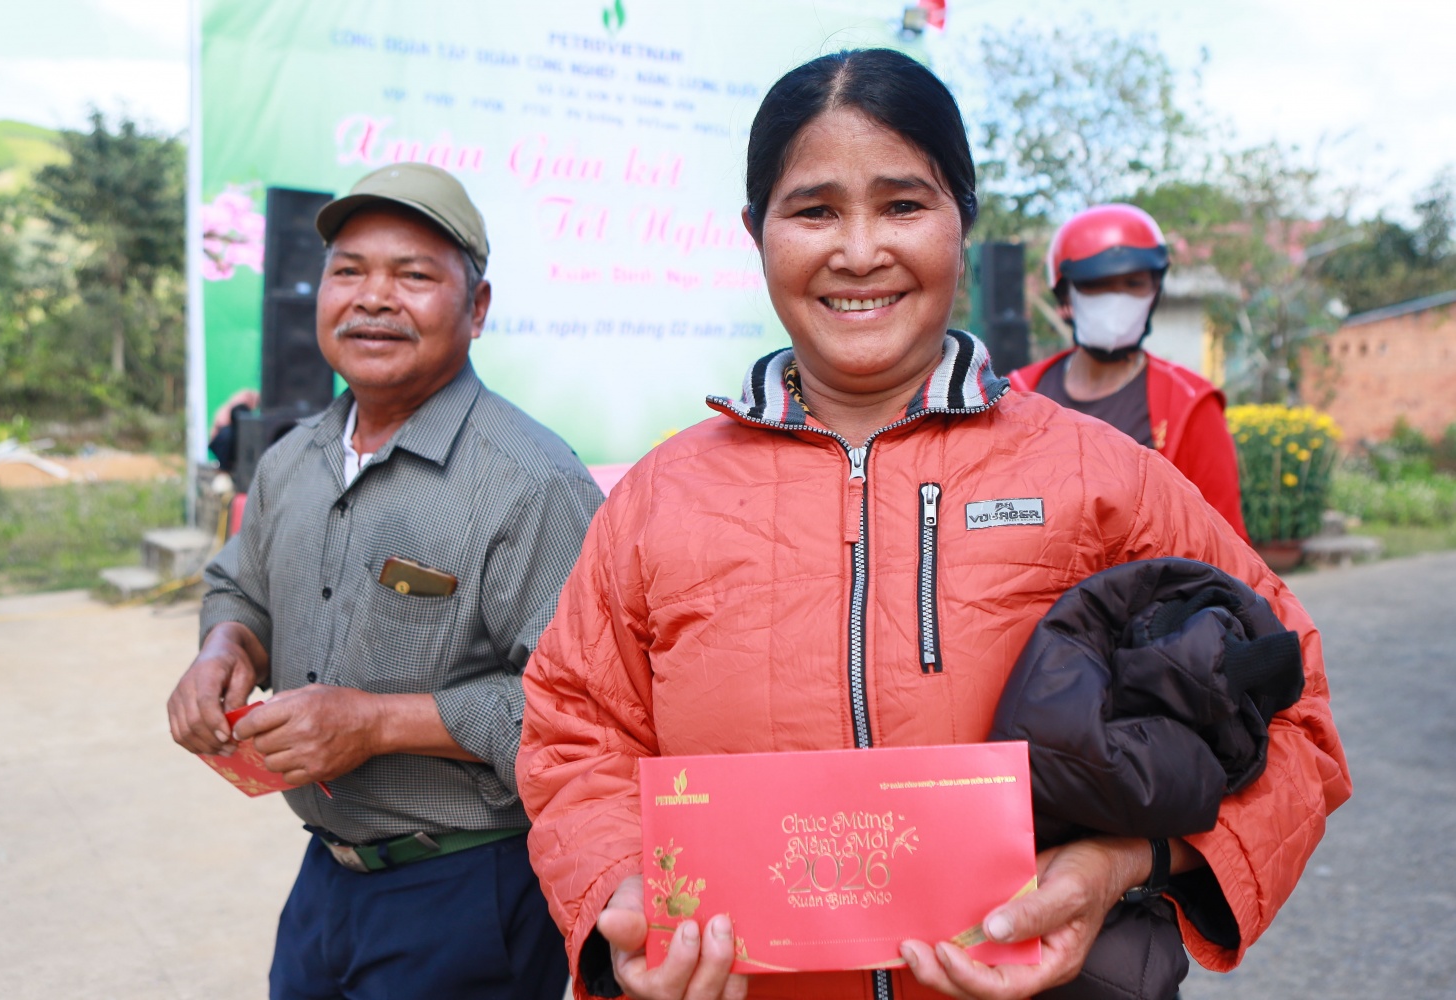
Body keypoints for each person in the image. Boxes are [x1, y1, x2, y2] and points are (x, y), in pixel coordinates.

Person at [516, 49, 1349, 1000]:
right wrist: (620, 892)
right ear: (756, 232)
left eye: (904, 205)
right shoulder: (659, 500)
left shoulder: (1104, 479)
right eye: (814, 209)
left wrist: (1127, 863)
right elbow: (573, 734)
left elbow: (1297, 708)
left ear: (963, 220)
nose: (859, 250)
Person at [167, 162, 602, 1000]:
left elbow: (578, 710)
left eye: (413, 276)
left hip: (472, 889)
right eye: (350, 271)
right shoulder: (292, 458)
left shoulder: (531, 483)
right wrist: (225, 644)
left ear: (476, 309)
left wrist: (376, 724)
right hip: (325, 878)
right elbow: (239, 585)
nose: (373, 298)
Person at [1008, 205, 1251, 541]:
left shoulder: (1189, 404)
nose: (1117, 299)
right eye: (1098, 284)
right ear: (1066, 294)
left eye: (1133, 283)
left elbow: (1225, 545)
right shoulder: (1018, 393)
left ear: (1154, 291)